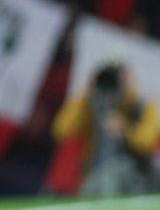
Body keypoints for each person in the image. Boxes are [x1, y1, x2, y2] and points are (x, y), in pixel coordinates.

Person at [53, 62, 159, 196]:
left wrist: (124, 128)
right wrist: (86, 92)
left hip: (131, 182)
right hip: (93, 175)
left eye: (119, 77)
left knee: (115, 173)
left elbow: (147, 142)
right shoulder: (93, 103)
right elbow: (62, 129)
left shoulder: (143, 105)